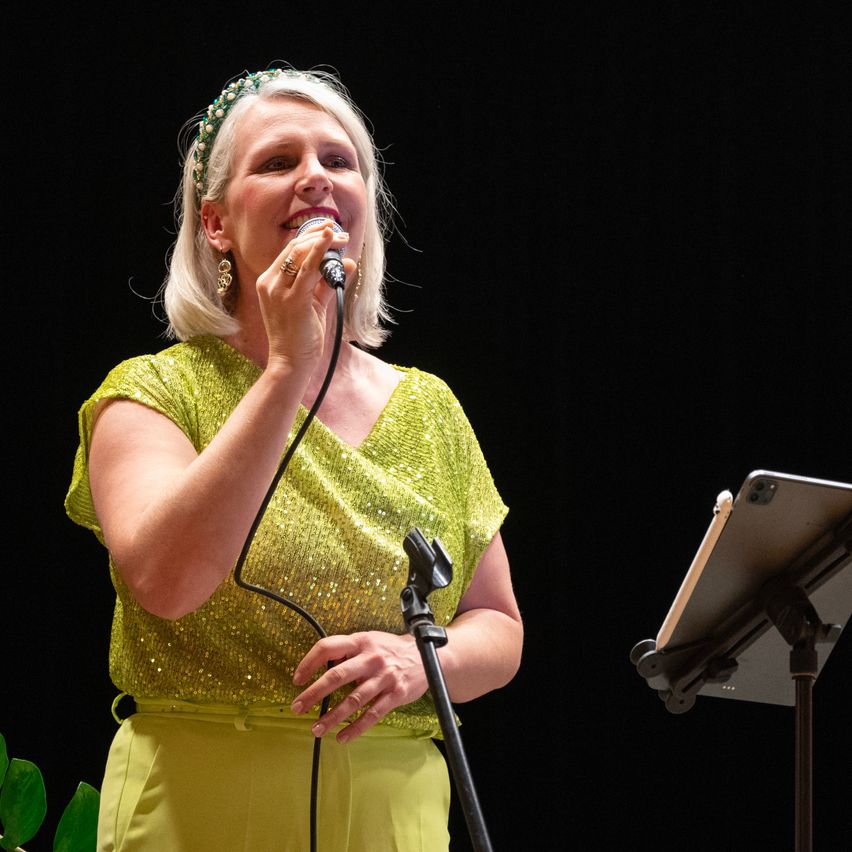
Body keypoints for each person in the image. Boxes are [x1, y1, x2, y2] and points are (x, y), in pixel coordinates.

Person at [65, 65, 523, 852]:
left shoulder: (430, 406)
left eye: (338, 162)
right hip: (197, 803)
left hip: (394, 813)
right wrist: (285, 369)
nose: (315, 177)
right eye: (278, 162)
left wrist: (420, 661)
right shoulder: (150, 393)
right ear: (215, 224)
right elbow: (166, 582)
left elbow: (499, 626)